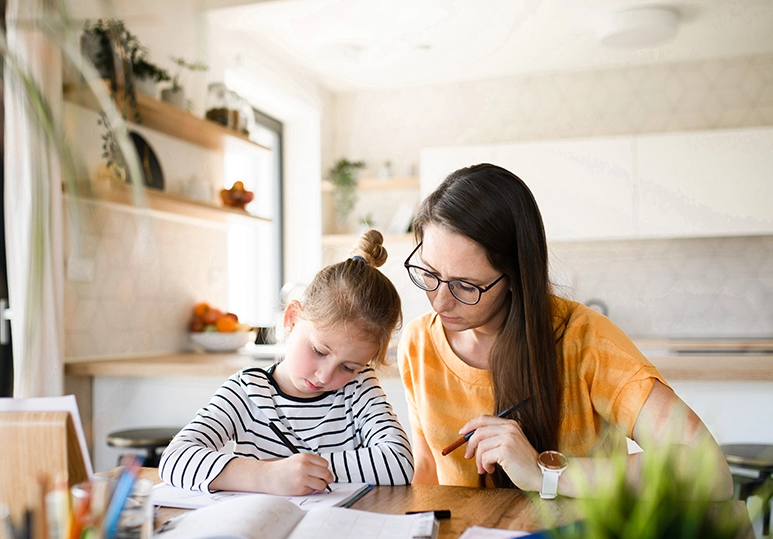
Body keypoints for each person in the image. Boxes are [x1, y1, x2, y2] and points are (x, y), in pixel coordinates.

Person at [398, 163, 732, 499]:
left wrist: (546, 472)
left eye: (465, 286)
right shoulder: (418, 343)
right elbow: (427, 476)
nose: (439, 303)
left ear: (514, 277)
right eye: (428, 273)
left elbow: (711, 472)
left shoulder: (586, 340)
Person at [160, 230, 414, 496]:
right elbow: (175, 459)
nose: (325, 376)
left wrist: (303, 471)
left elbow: (400, 462)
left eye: (348, 367)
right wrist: (266, 476)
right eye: (319, 351)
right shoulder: (247, 391)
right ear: (292, 319)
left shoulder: (358, 388)